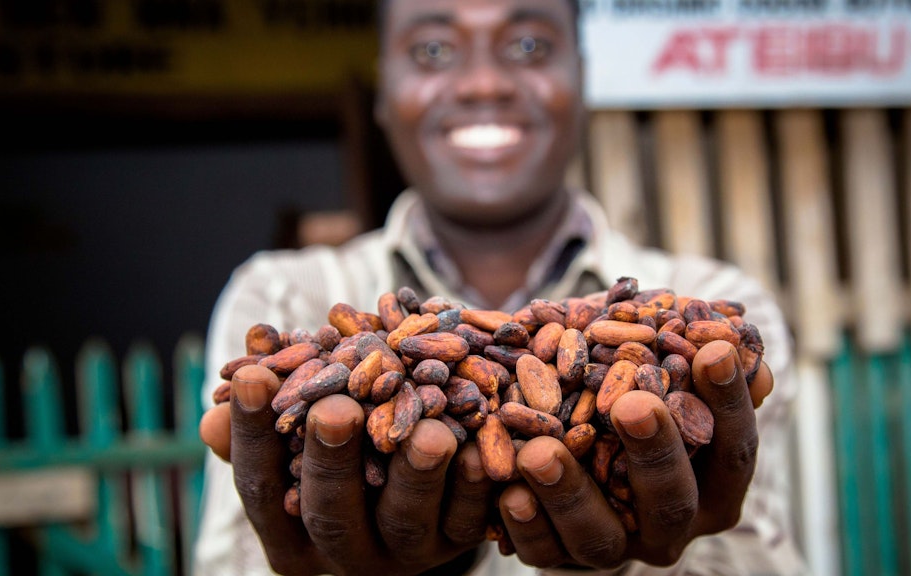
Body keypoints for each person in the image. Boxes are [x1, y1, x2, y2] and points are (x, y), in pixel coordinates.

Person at [195, 0, 810, 574]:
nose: (483, 83)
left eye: (527, 46)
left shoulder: (715, 301)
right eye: (434, 50)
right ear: (385, 90)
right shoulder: (282, 296)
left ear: (583, 78)